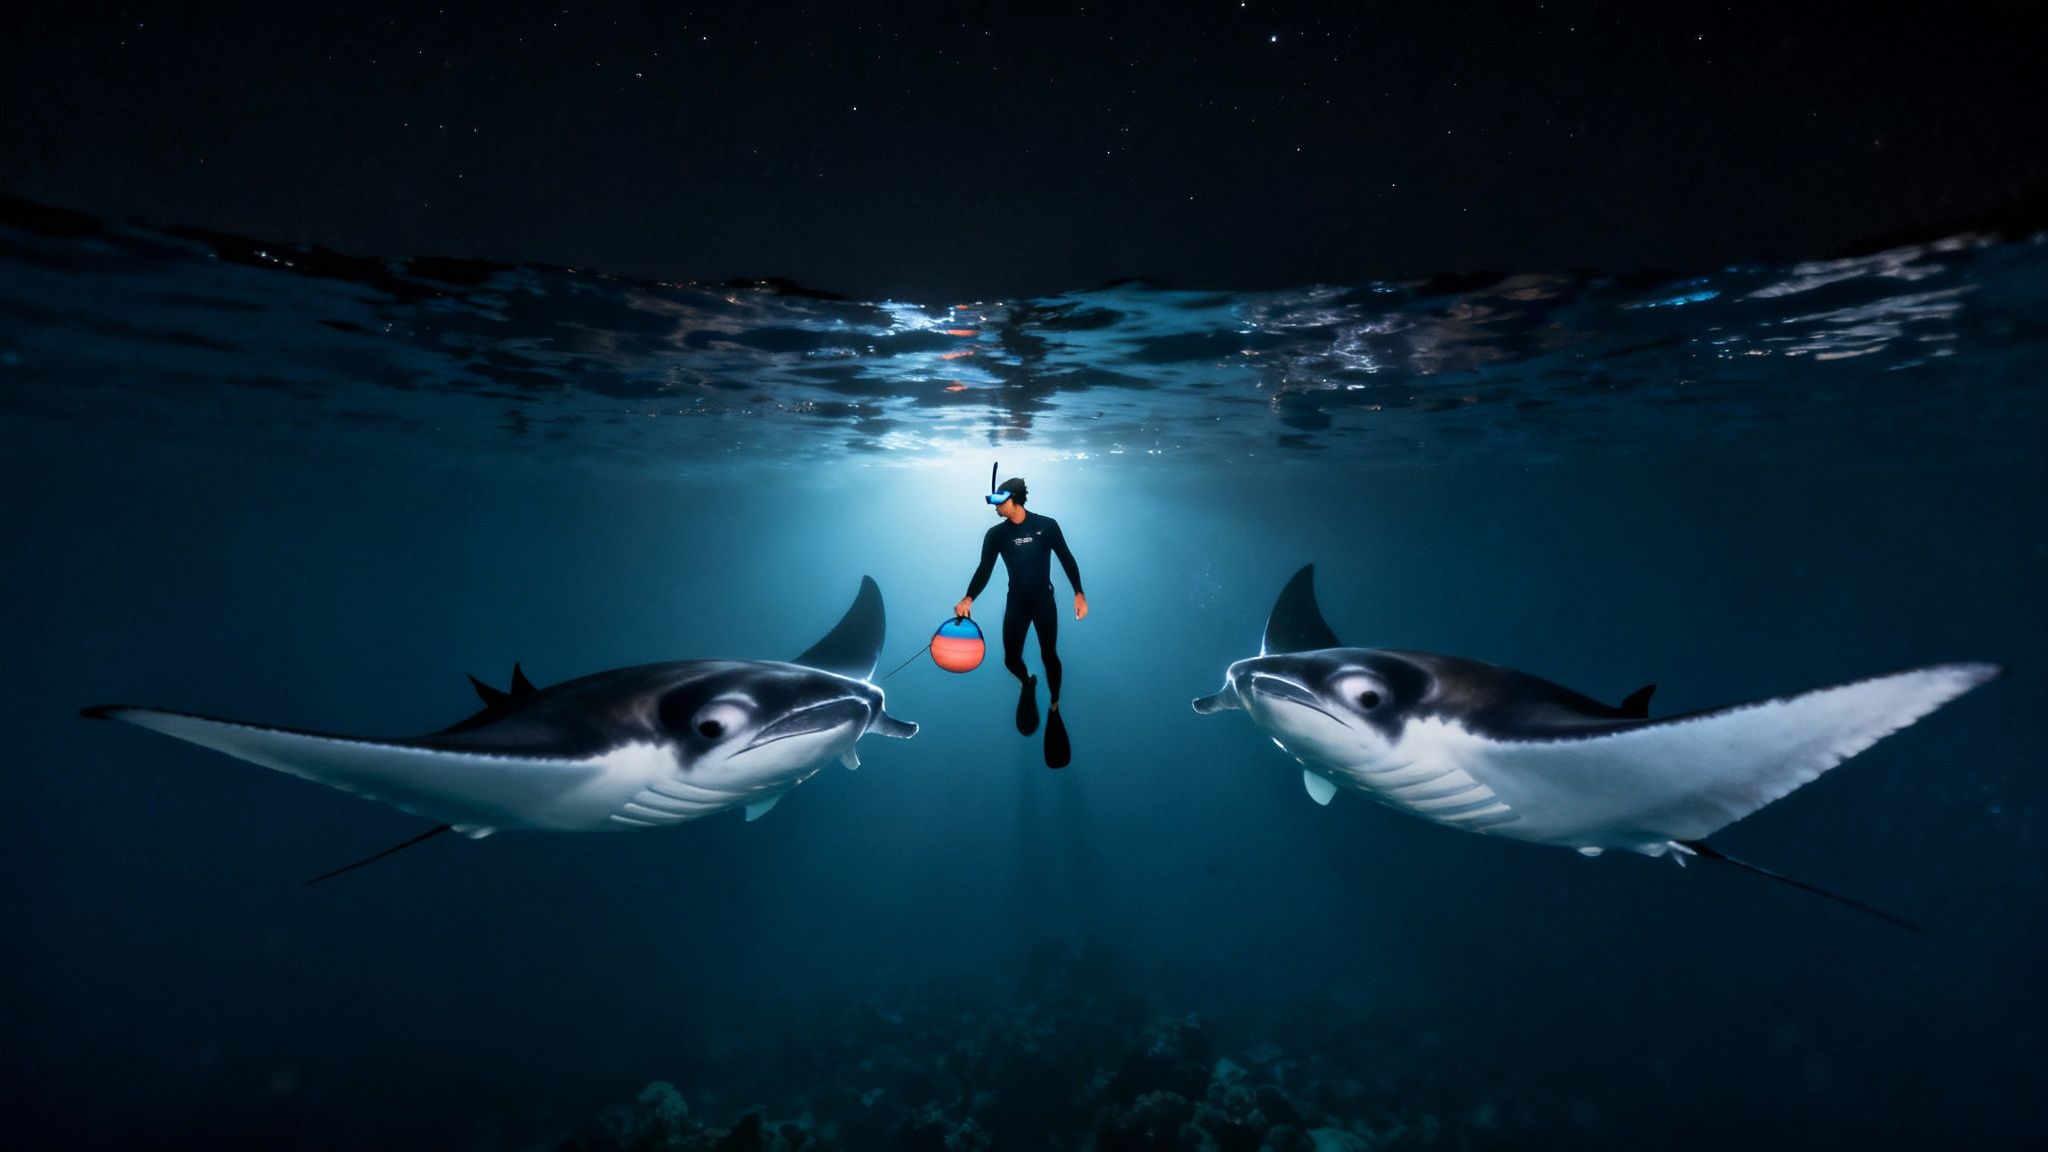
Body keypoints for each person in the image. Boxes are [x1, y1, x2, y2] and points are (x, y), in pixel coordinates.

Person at [954, 476, 1087, 766]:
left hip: (1043, 602)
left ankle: (1054, 705)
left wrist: (1079, 593)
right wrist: (968, 598)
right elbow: (984, 570)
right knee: (1010, 659)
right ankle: (1027, 681)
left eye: (999, 501)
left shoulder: (1047, 526)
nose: (995, 507)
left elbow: (1067, 558)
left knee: (1049, 654)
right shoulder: (995, 535)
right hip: (1017, 602)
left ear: (1014, 500)